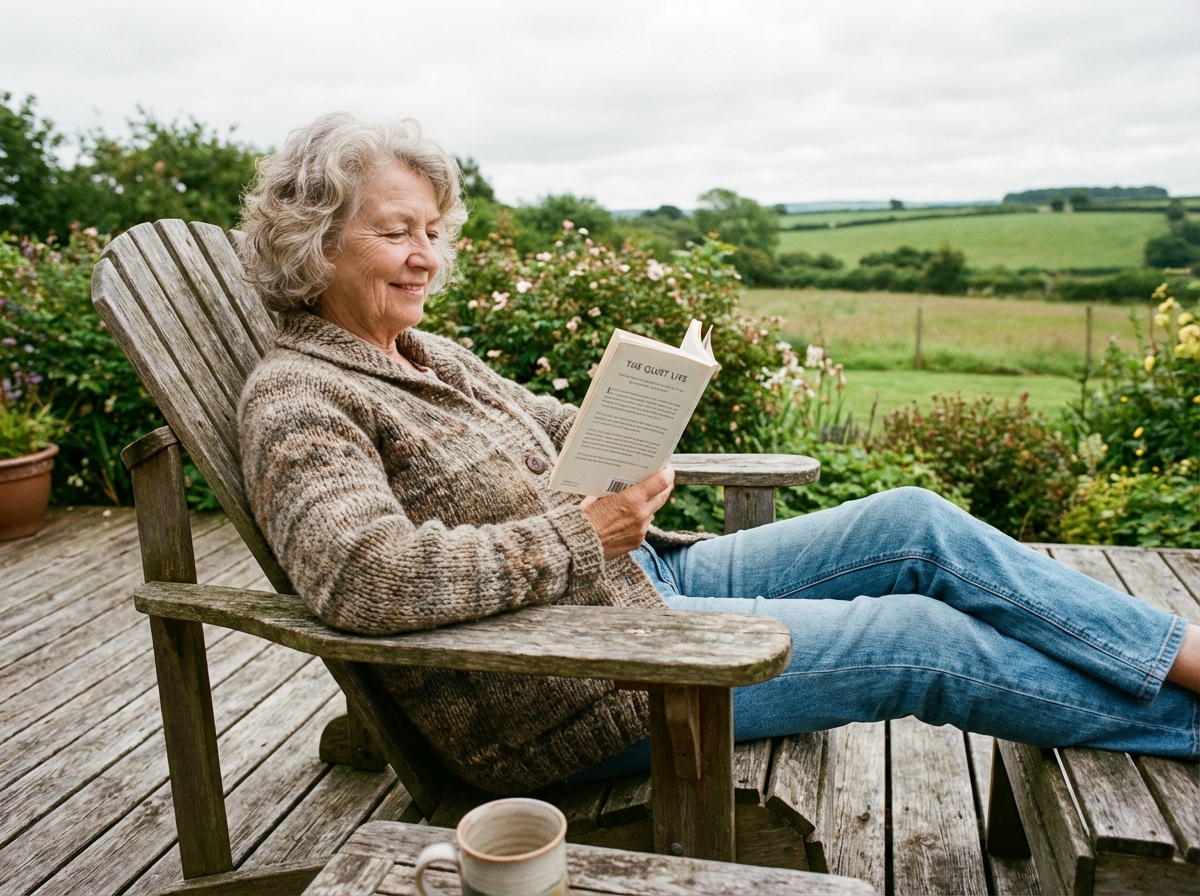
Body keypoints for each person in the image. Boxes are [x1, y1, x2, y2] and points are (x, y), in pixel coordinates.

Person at [237, 113, 1199, 796]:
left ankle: (1179, 655)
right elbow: (363, 578)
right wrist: (580, 536)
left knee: (911, 519)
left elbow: (552, 424)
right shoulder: (301, 398)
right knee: (920, 639)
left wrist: (636, 409)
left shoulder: (422, 353)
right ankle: (1188, 725)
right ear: (313, 243)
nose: (427, 256)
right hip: (576, 682)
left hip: (638, 585)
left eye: (435, 232)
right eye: (395, 232)